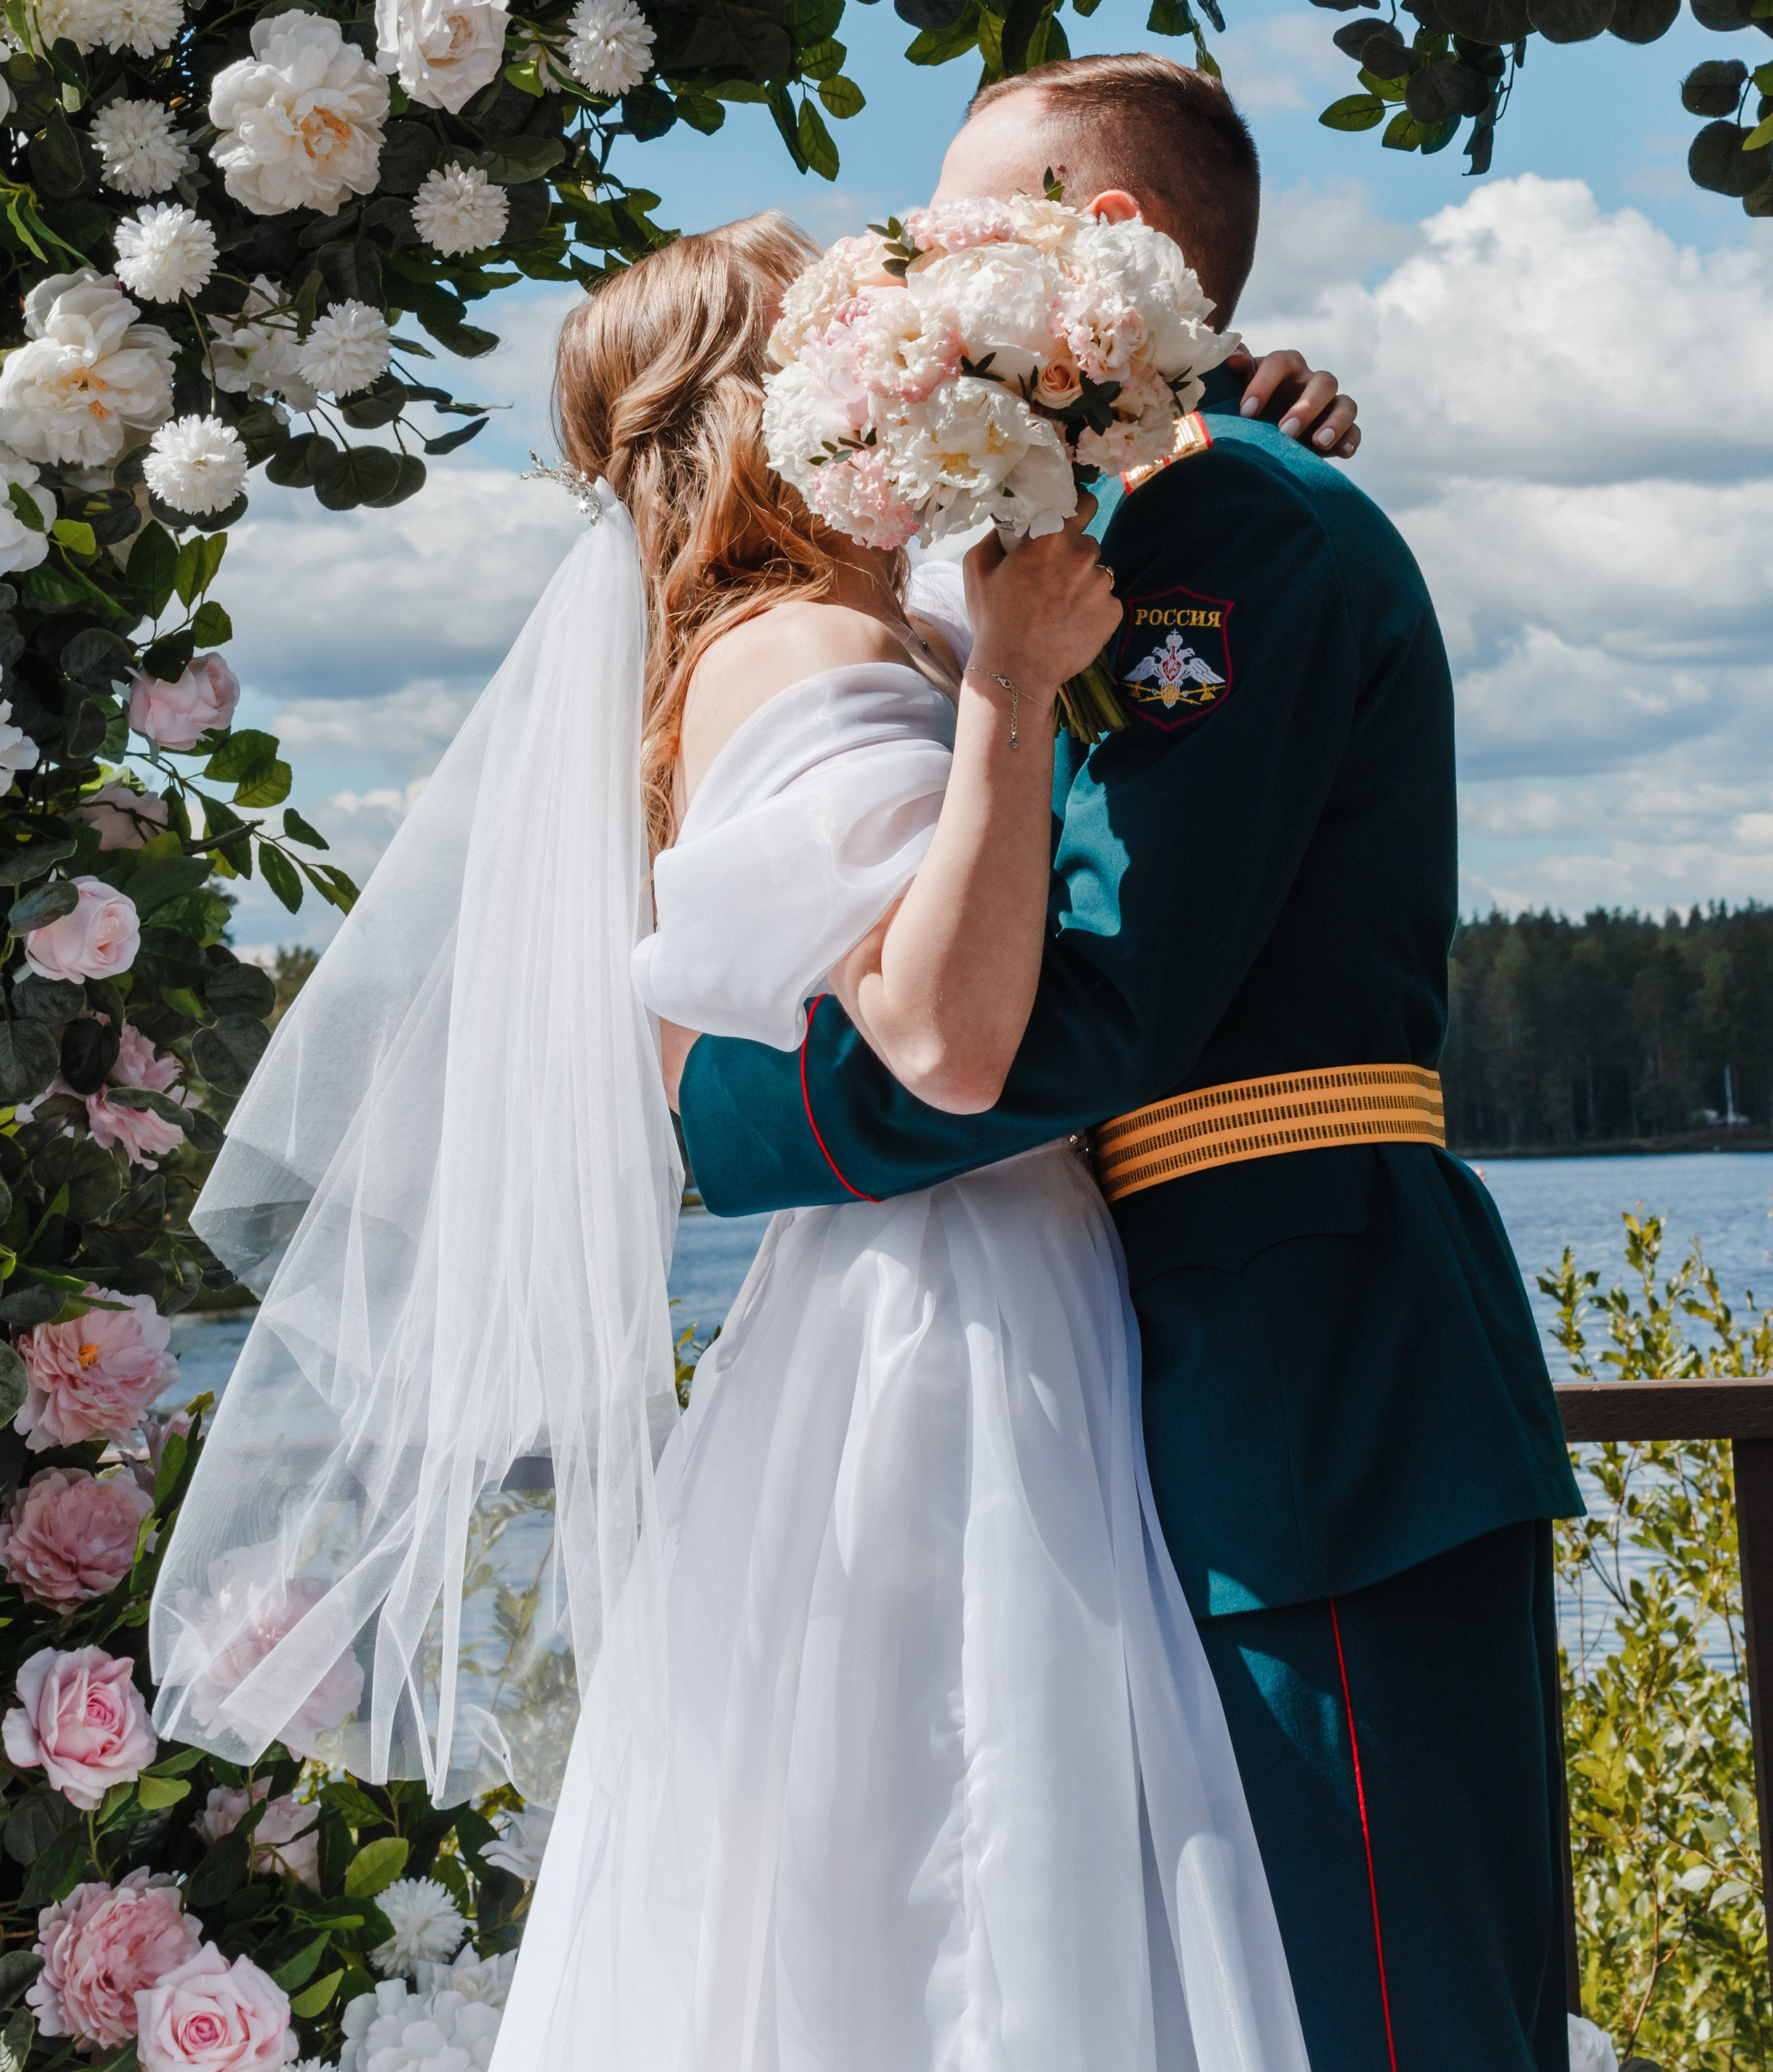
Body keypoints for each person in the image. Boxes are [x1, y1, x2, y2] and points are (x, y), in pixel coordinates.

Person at [147, 200, 1351, 2069]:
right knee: (968, 1848)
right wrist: (1019, 694)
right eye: (866, 354)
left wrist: (1178, 431)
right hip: (949, 1318)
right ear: (772, 418)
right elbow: (947, 1043)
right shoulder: (800, 654)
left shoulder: (836, 633)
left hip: (917, 1294)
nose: (927, 374)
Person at [674, 54, 1587, 2072]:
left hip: (1300, 1375)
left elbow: (1087, 1004)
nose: (913, 264)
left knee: (1386, 2009)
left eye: (955, 220)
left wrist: (714, 1116)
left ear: (1099, 248)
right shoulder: (1164, 509)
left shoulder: (1225, 531)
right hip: (1240, 1351)